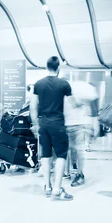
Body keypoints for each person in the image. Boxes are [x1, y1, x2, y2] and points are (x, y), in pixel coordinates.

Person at [31, 56, 74, 201]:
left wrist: (35, 124)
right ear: (58, 67)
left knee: (45, 155)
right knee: (61, 155)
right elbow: (74, 103)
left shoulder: (38, 84)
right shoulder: (64, 84)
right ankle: (57, 189)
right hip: (58, 124)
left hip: (43, 124)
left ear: (46, 66)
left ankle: (47, 187)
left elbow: (33, 106)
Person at [64, 80, 99, 187]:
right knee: (70, 149)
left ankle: (79, 174)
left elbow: (94, 110)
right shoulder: (65, 90)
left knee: (78, 149)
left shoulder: (86, 89)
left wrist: (95, 125)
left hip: (81, 123)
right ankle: (69, 171)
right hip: (68, 123)